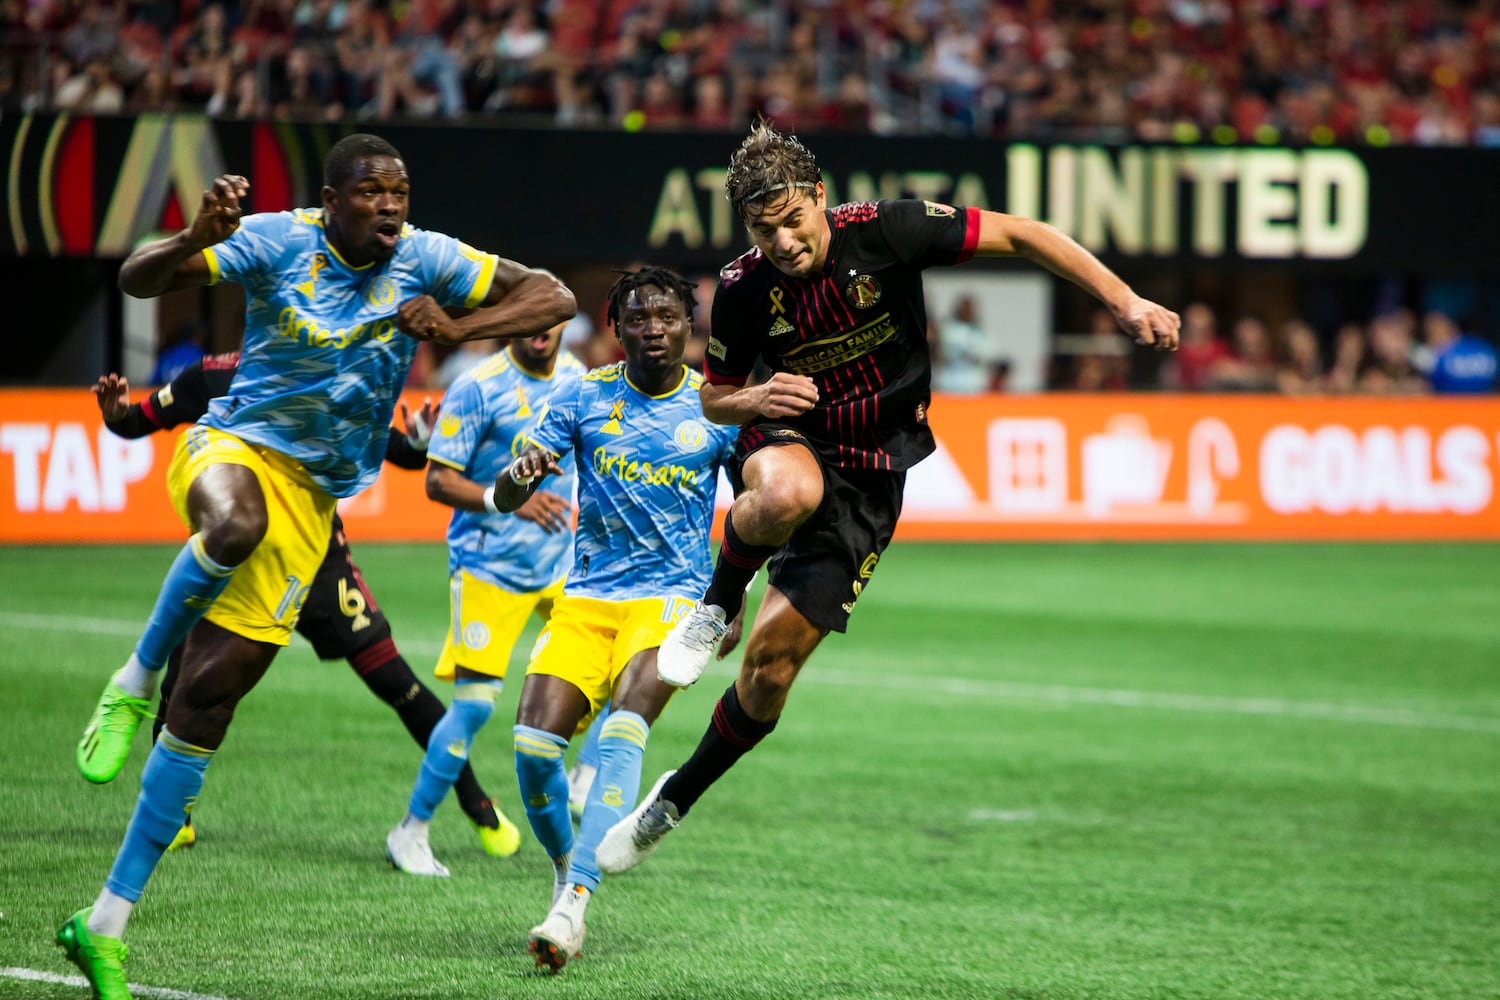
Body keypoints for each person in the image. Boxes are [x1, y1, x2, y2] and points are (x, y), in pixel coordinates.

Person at [59, 132, 575, 1000]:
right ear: (329, 201)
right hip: (235, 446)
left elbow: (550, 293)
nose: (391, 206)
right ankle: (134, 674)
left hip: (315, 501)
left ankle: (103, 923)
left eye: (401, 192)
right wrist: (192, 240)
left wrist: (459, 325)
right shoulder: (272, 239)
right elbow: (136, 280)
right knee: (231, 526)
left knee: (211, 700)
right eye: (373, 192)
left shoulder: (428, 258)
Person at [596, 120, 1178, 876]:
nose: (783, 243)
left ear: (820, 199)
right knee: (786, 492)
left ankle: (673, 800)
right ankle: (714, 607)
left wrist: (1123, 299)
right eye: (764, 230)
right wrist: (762, 397)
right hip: (793, 441)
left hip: (874, 474)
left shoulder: (891, 232)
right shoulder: (742, 291)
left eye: (793, 221)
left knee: (770, 668)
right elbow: (715, 401)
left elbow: (1029, 234)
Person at [89, 355, 521, 857]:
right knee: (187, 679)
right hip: (241, 556)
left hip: (318, 562)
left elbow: (401, 453)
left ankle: (478, 806)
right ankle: (174, 814)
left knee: (395, 681)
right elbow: (137, 420)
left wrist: (421, 439)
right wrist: (115, 412)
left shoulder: (332, 380)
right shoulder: (212, 377)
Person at [497, 267, 739, 972]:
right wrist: (523, 473)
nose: (653, 329)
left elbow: (755, 509)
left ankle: (573, 901)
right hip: (588, 597)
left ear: (689, 328)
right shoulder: (582, 394)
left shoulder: (717, 406)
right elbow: (506, 493)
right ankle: (565, 867)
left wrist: (732, 591)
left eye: (667, 316)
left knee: (625, 725)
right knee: (534, 751)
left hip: (673, 600)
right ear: (617, 327)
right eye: (638, 318)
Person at [384, 319, 586, 876]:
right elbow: (436, 482)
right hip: (487, 565)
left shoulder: (578, 379)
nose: (541, 329)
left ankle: (583, 777)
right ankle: (411, 831)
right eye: (529, 318)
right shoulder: (477, 386)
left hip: (559, 562)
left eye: (552, 318)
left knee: (617, 670)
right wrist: (510, 501)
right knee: (473, 707)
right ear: (511, 323)